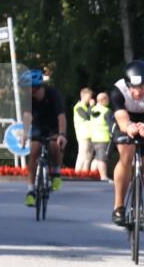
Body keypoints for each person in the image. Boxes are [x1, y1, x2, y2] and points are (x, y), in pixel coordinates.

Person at [110, 60, 144, 237]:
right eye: (133, 88)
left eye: (142, 87)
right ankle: (119, 206)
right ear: (127, 85)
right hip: (126, 122)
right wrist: (130, 128)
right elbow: (122, 119)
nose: (138, 91)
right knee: (126, 155)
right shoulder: (117, 90)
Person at [19, 69, 68, 206]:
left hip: (54, 126)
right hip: (38, 126)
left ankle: (56, 173)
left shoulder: (53, 94)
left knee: (55, 145)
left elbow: (61, 116)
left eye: (29, 89)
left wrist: (62, 135)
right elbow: (27, 116)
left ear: (36, 87)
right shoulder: (28, 98)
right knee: (34, 151)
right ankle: (30, 191)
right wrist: (24, 134)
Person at [89, 92, 114, 182]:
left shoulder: (93, 110)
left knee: (96, 157)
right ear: (104, 100)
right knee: (102, 158)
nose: (108, 101)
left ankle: (92, 174)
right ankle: (103, 176)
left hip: (94, 137)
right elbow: (111, 125)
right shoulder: (106, 111)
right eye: (107, 99)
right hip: (103, 137)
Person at [73, 88, 95, 172]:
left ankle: (85, 173)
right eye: (88, 97)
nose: (90, 99)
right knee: (82, 154)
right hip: (83, 134)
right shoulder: (78, 107)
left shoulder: (85, 107)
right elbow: (87, 116)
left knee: (89, 155)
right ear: (83, 96)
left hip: (90, 134)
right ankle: (77, 172)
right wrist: (92, 106)